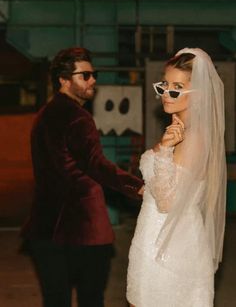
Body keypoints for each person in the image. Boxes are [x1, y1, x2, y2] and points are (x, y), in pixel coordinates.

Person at [21, 47, 143, 307]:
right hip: (82, 230)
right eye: (84, 75)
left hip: (45, 228)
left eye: (93, 74)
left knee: (55, 300)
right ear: (64, 80)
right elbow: (95, 165)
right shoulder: (79, 118)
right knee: (91, 300)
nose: (93, 80)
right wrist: (138, 187)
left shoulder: (44, 115)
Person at [127, 48, 227, 307]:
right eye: (164, 85)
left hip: (170, 247)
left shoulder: (193, 139)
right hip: (153, 238)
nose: (166, 94)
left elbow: (168, 202)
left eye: (177, 87)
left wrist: (163, 151)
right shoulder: (179, 130)